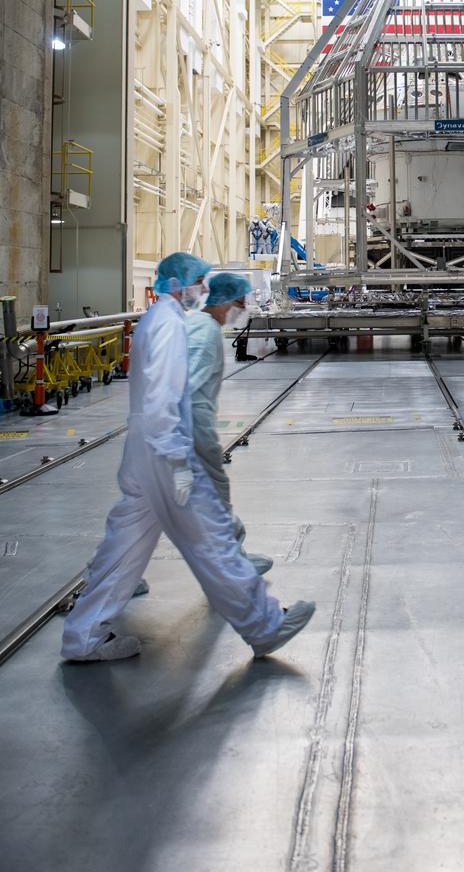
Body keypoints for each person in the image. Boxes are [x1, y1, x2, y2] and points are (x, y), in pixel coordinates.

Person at [61, 251, 314, 662]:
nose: (202, 288)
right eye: (197, 281)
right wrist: (179, 460)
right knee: (212, 539)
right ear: (179, 284)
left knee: (125, 543)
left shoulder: (161, 320)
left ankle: (84, 635)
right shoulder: (167, 325)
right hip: (165, 449)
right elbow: (165, 397)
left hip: (146, 450)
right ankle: (265, 625)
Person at [186, 271, 273, 576]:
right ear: (223, 301)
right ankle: (231, 562)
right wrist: (199, 437)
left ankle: (113, 573)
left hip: (169, 427)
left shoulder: (195, 324)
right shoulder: (205, 332)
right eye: (239, 303)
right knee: (213, 492)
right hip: (189, 428)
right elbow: (189, 388)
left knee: (148, 505)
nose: (240, 310)